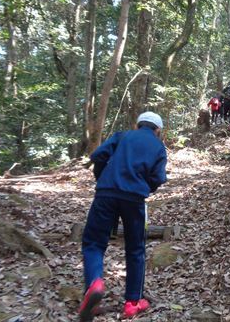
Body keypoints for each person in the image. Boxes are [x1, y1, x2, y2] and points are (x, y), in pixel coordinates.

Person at [79, 112, 167, 321]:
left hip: (106, 194)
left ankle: (94, 284)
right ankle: (132, 303)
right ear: (158, 130)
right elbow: (158, 178)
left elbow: (98, 155)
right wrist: (146, 187)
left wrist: (102, 177)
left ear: (137, 125)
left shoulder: (122, 136)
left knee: (93, 243)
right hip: (135, 199)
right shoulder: (158, 147)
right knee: (136, 249)